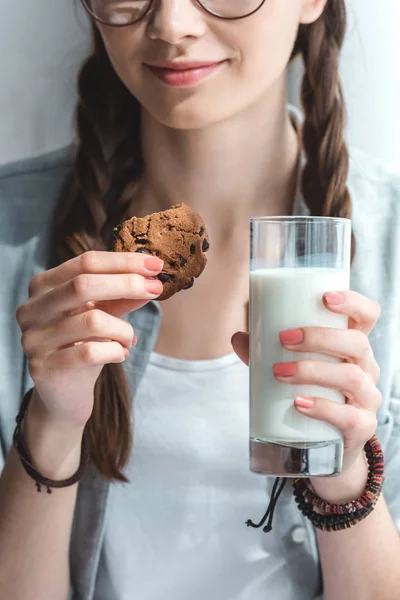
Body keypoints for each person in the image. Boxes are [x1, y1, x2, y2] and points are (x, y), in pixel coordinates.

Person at [0, 0, 399, 598]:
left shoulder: (389, 249)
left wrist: (344, 477)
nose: (171, 25)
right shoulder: (11, 236)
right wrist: (52, 424)